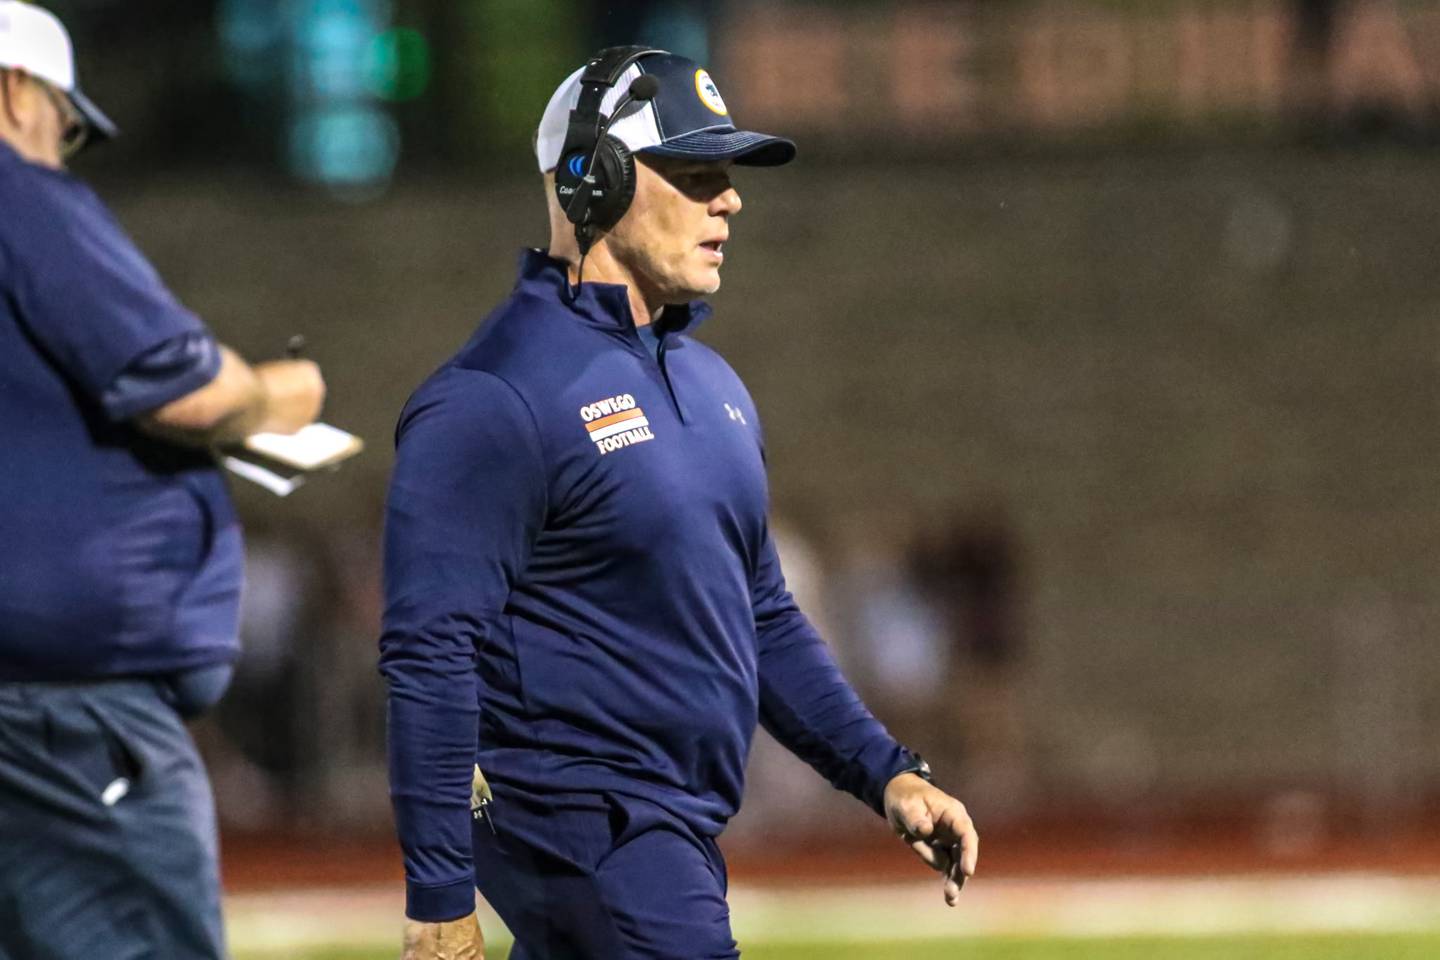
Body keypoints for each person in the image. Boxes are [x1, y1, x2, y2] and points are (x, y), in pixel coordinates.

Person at [381, 46, 978, 960]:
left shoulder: (711, 385)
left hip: (662, 827)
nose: (729, 200)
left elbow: (760, 613)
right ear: (593, 180)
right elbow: (429, 649)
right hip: (585, 822)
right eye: (695, 175)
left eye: (725, 177)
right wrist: (437, 898)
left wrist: (887, 773)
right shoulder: (497, 397)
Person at [0, 4, 326, 958]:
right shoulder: (17, 193)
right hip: (61, 716)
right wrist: (278, 392)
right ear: (17, 92)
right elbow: (184, 390)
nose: (58, 152)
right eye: (63, 125)